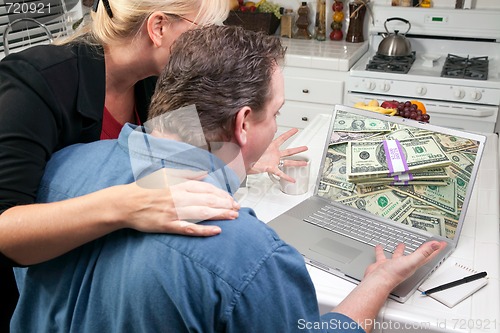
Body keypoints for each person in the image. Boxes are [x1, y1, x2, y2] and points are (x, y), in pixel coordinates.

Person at [11, 25, 446, 333]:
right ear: (242, 123)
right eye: (275, 113)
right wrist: (379, 281)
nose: (276, 123)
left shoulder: (61, 168)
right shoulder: (250, 255)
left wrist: (240, 162)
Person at [0, 0, 306, 327]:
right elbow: (6, 229)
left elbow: (189, 150)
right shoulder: (34, 84)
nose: (210, 43)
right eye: (203, 30)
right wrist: (127, 204)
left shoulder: (155, 81)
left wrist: (245, 154)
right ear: (158, 27)